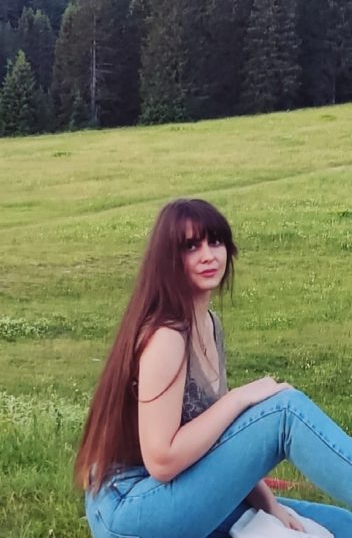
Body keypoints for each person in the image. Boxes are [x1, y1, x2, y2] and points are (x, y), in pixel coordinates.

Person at [74, 198, 352, 538]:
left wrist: (270, 505)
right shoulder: (166, 336)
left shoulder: (209, 324)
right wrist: (237, 399)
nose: (208, 255)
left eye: (215, 241)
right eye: (191, 246)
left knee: (341, 526)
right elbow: (161, 461)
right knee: (284, 411)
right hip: (129, 506)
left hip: (182, 489)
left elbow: (219, 440)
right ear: (169, 260)